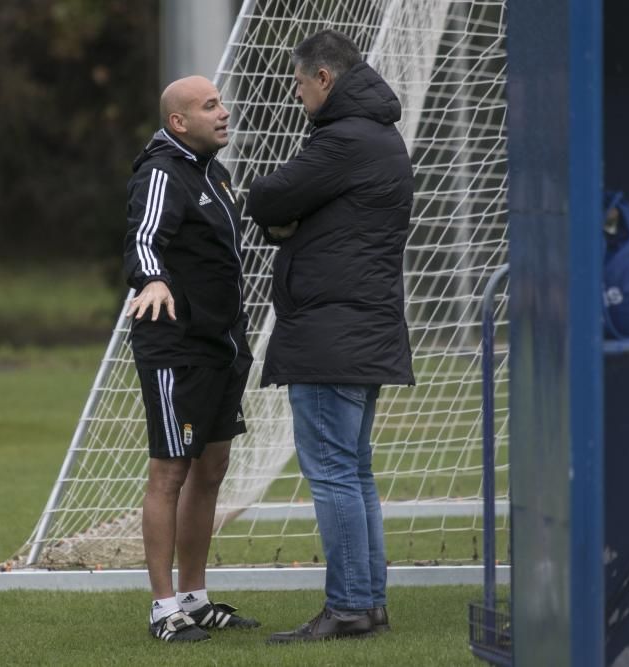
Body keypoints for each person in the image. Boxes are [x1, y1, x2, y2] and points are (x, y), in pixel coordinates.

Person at [246, 29, 416, 643]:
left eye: (298, 84)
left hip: (330, 332)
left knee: (334, 473)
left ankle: (347, 606)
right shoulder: (380, 136)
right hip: (364, 329)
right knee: (354, 470)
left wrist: (281, 216)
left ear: (323, 79)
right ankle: (366, 604)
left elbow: (268, 195)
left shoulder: (342, 140)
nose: (296, 96)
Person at [124, 75, 259, 643]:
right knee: (171, 472)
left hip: (223, 343)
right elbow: (144, 236)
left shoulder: (215, 172)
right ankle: (162, 609)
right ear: (179, 122)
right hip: (177, 347)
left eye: (221, 103)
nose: (223, 113)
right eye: (210, 106)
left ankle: (195, 598)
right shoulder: (162, 170)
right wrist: (151, 278)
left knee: (212, 470)